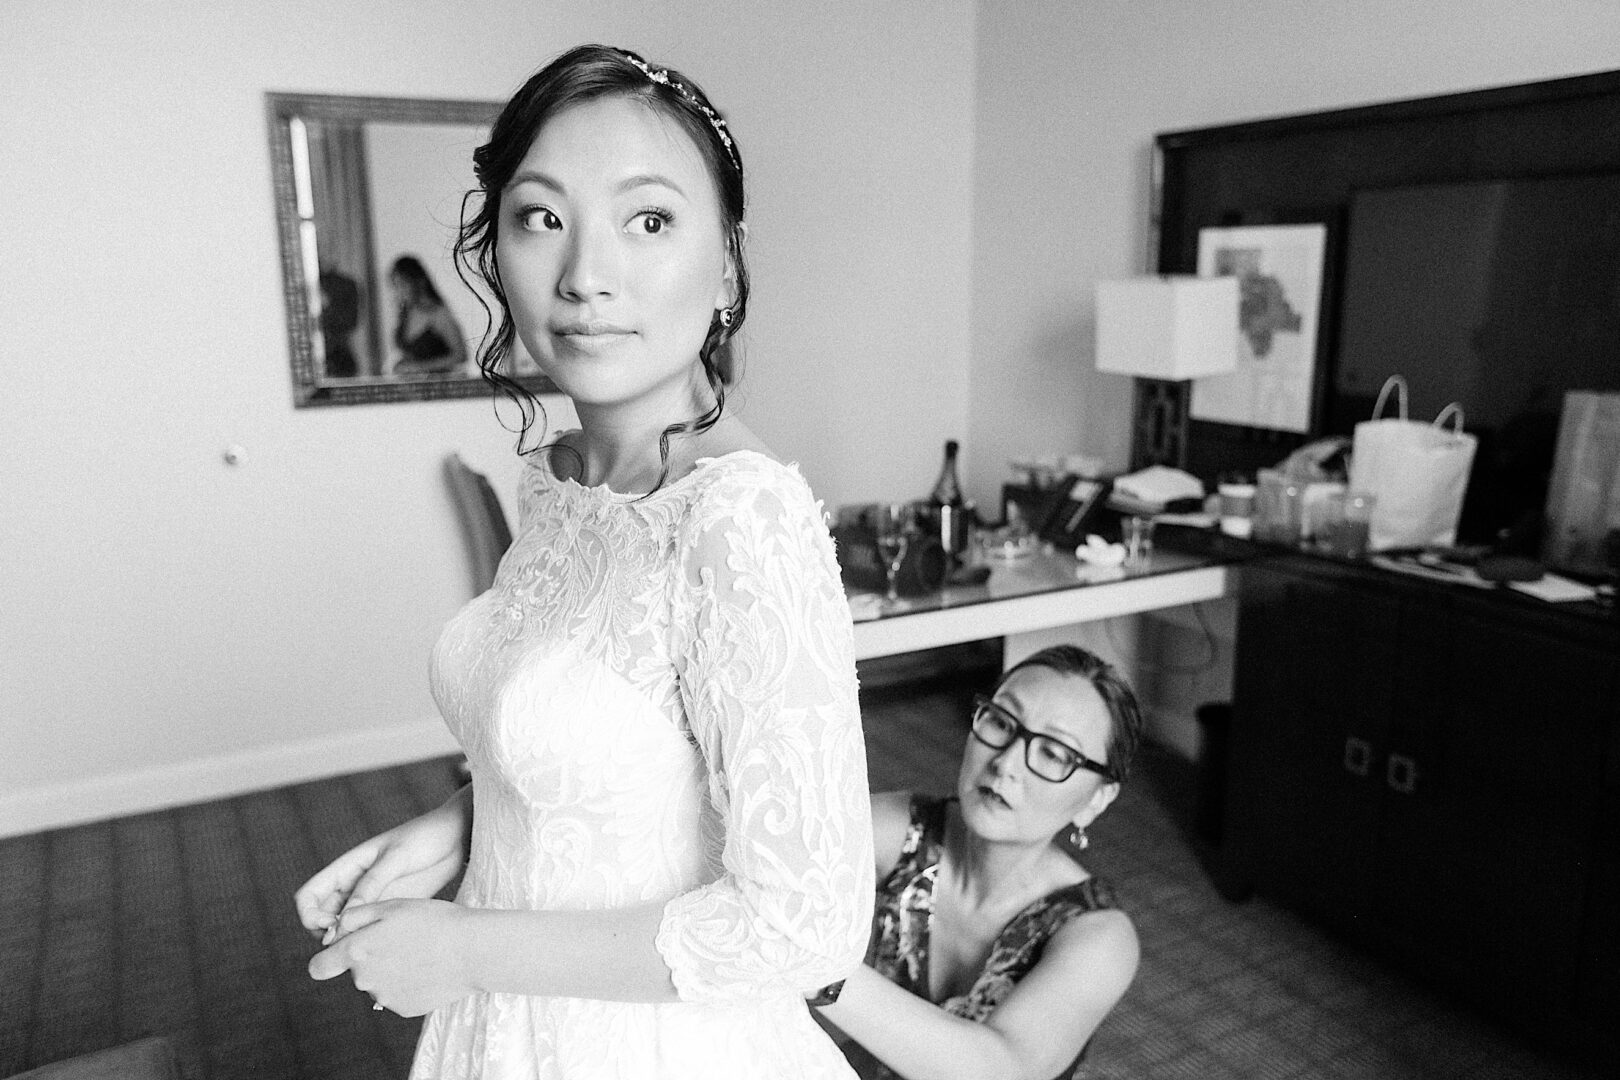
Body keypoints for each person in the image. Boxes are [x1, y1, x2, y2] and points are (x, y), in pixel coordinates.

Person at [294, 44, 874, 1079]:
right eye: (543, 218)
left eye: (648, 220)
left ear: (727, 263)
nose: (586, 277)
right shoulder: (559, 480)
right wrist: (459, 829)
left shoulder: (742, 520)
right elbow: (624, 750)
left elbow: (807, 926)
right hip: (515, 1024)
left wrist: (464, 949)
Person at [814, 645, 1142, 1080]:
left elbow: (1002, 1070)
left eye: (1054, 753)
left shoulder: (1101, 936)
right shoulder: (900, 830)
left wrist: (818, 972)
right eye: (1002, 722)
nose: (1005, 763)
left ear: (1097, 799)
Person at [387, 254, 468, 375]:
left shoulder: (438, 313)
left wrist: (421, 367)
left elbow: (461, 355)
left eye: (403, 285)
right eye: (395, 286)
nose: (399, 292)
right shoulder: (406, 313)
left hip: (439, 385)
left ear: (418, 282)